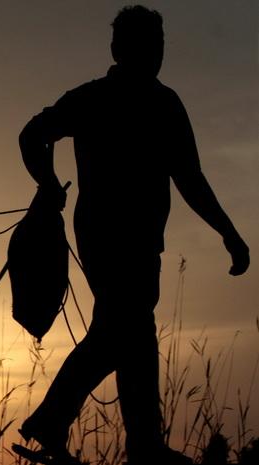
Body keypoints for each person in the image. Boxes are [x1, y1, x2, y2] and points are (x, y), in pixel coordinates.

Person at [16, 5, 250, 465]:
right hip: (112, 238)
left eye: (159, 45)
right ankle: (77, 428)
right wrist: (47, 182)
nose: (156, 54)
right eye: (148, 45)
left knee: (127, 333)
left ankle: (137, 444)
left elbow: (189, 177)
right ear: (120, 49)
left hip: (133, 239)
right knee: (129, 329)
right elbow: (31, 135)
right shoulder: (121, 100)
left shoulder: (137, 101)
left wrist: (228, 232)